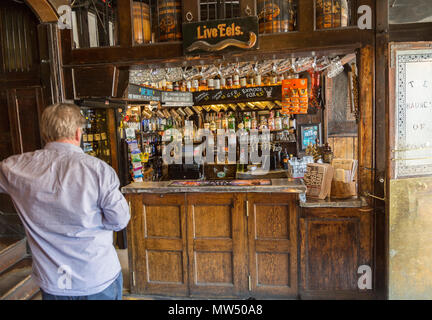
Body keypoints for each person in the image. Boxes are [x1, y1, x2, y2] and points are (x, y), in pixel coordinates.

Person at [0, 103, 130, 300]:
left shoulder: (14, 168)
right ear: (78, 133)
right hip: (96, 277)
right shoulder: (99, 171)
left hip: (53, 281)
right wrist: (94, 221)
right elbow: (119, 220)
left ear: (45, 134)